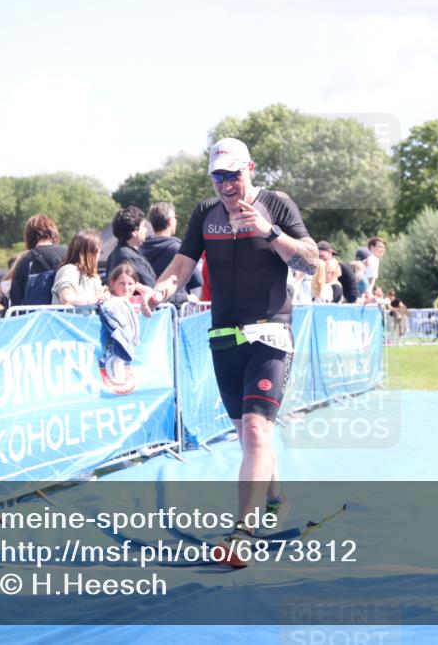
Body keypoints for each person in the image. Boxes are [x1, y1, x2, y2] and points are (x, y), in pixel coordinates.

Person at [137, 137, 318, 559]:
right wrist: (159, 292)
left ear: (250, 169)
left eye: (232, 175)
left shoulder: (277, 205)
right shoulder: (205, 213)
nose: (225, 185)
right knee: (247, 435)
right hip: (224, 336)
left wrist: (269, 232)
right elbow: (181, 268)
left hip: (271, 332)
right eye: (217, 177)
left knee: (257, 430)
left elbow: (312, 261)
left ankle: (242, 534)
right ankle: (275, 498)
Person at [141, 202, 203, 293]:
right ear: (170, 221)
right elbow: (197, 281)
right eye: (175, 217)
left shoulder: (139, 248)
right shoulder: (178, 249)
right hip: (176, 304)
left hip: (147, 303)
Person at [9, 214, 66, 307]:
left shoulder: (25, 260)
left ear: (29, 236)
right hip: (66, 316)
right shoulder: (68, 254)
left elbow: (16, 297)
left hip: (36, 318)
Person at [52, 229, 109, 305]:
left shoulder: (92, 276)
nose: (100, 256)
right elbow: (66, 299)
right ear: (91, 253)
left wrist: (104, 295)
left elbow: (99, 296)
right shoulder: (69, 270)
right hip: (68, 317)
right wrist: (94, 299)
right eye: (100, 252)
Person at [106, 206, 158, 288]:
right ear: (134, 232)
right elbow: (151, 286)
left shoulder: (116, 253)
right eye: (143, 227)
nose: (146, 230)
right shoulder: (129, 257)